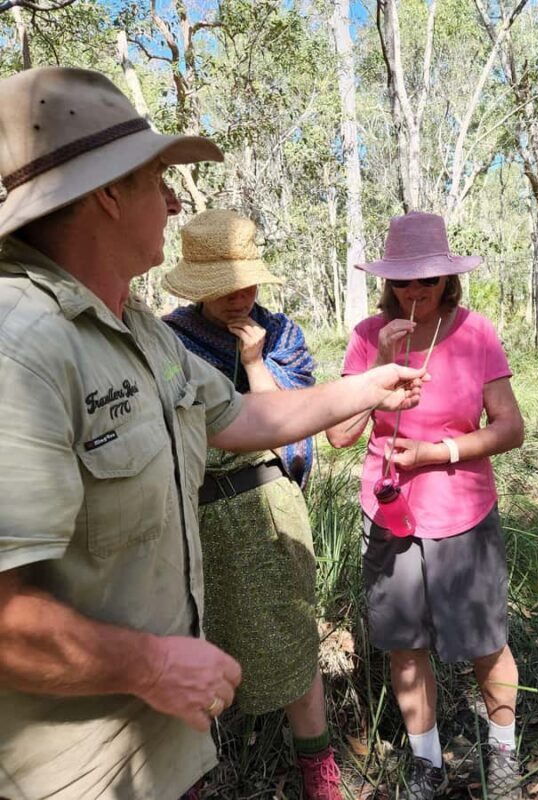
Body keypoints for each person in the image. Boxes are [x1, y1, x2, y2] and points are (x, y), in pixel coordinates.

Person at [0, 67, 424, 800]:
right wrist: (150, 666)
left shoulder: (136, 331)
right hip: (74, 772)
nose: (171, 201)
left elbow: (238, 418)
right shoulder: (23, 349)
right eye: (159, 178)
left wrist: (366, 385)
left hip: (160, 748)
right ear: (106, 193)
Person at [326, 211, 526, 800]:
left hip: (462, 509)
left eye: (427, 281)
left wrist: (437, 452)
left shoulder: (476, 332)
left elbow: (510, 426)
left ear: (447, 279)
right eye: (403, 282)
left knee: (485, 639)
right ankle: (427, 762)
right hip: (389, 512)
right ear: (388, 283)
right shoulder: (368, 336)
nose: (414, 292)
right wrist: (377, 375)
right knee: (404, 643)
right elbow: (340, 437)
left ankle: (503, 752)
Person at [161, 208, 341, 800]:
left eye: (248, 283)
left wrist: (257, 363)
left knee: (290, 635)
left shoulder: (280, 333)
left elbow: (295, 434)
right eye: (223, 286)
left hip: (264, 502)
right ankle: (196, 772)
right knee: (190, 641)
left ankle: (317, 764)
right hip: (189, 514)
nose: (240, 296)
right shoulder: (168, 339)